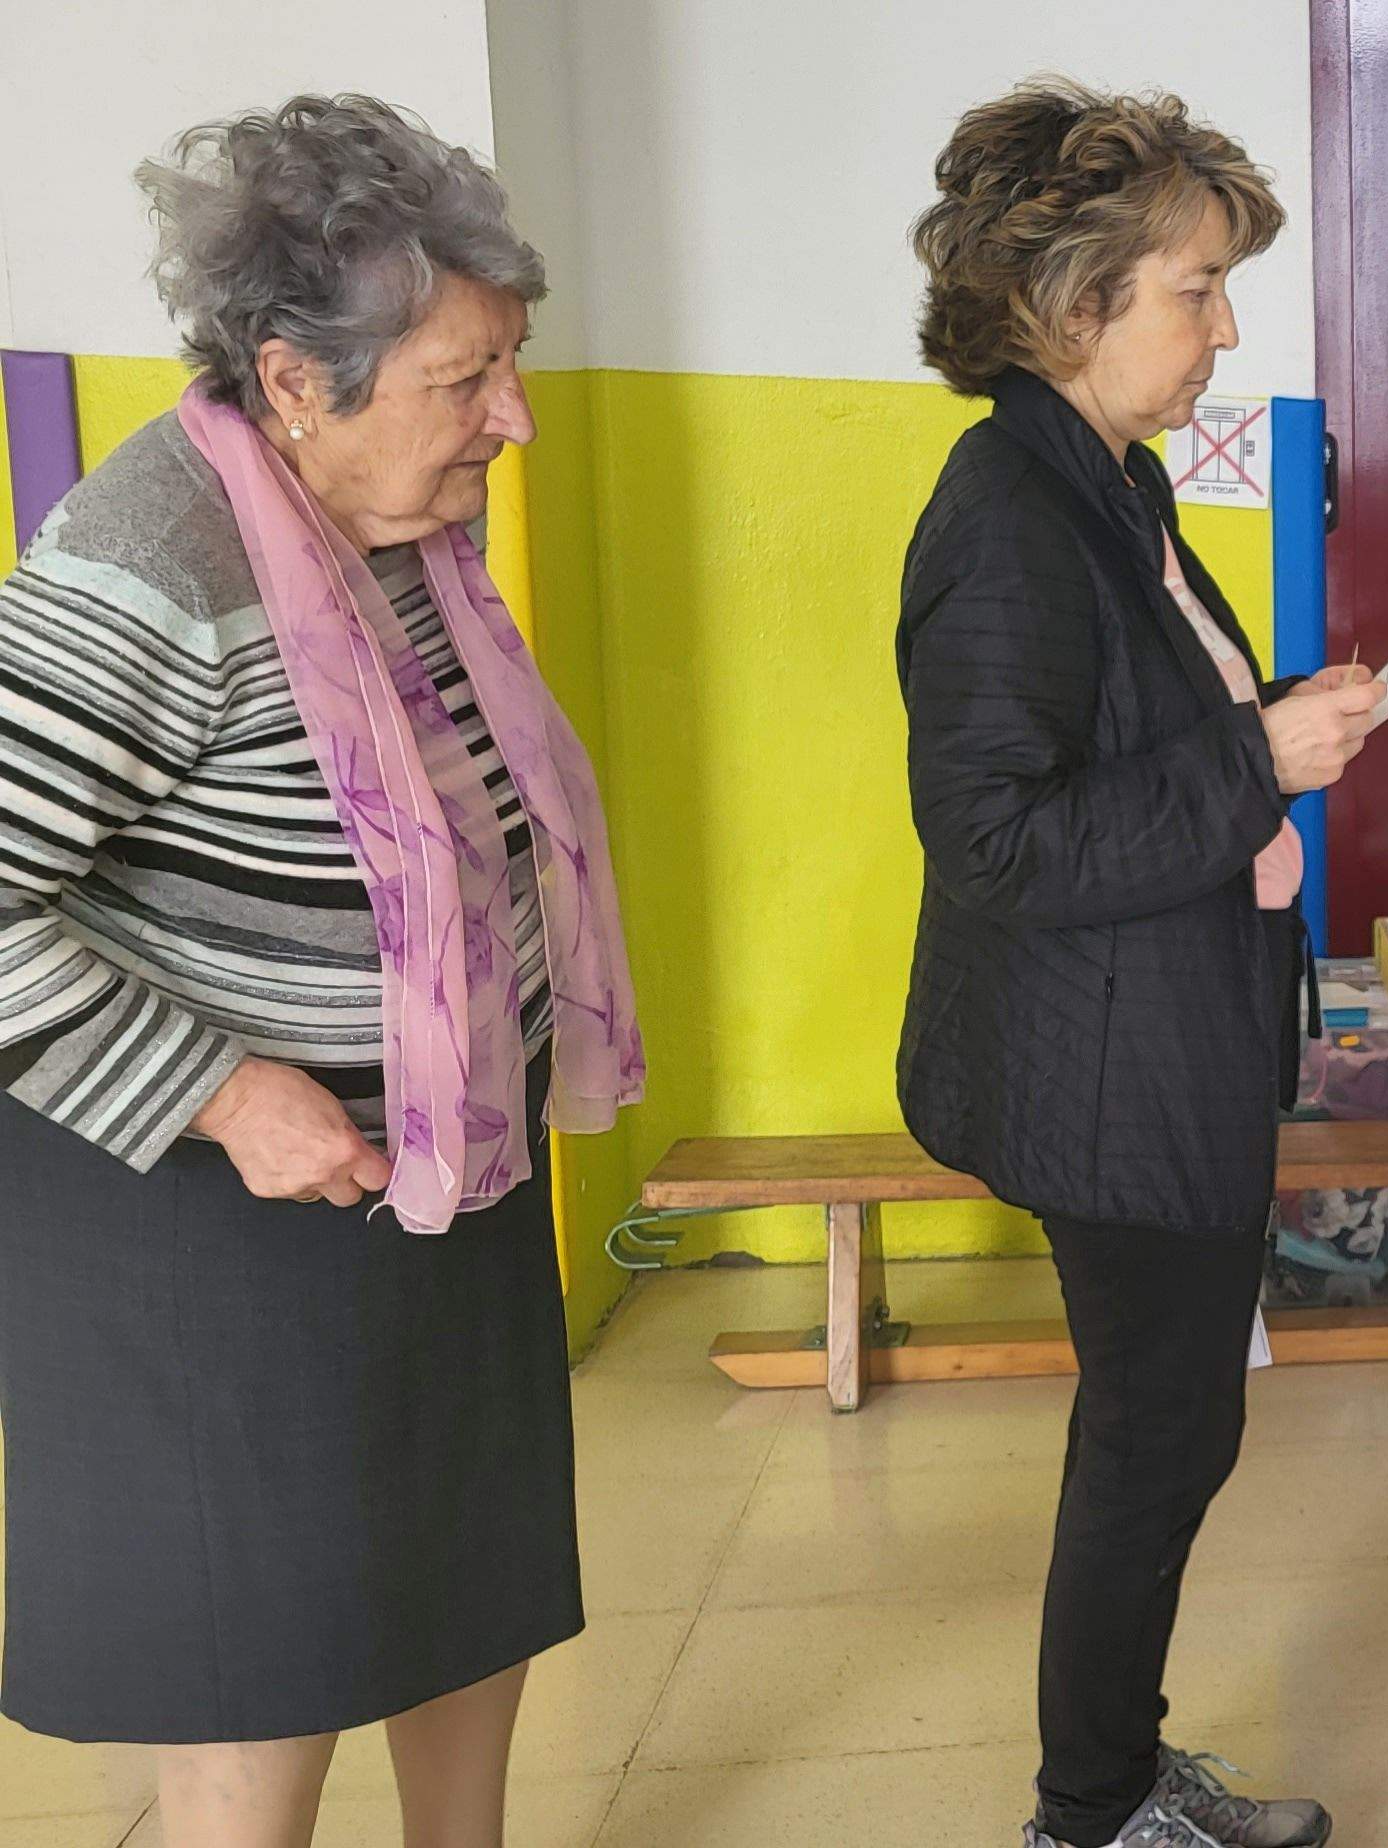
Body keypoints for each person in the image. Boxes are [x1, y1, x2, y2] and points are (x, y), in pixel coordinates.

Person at [0, 95, 641, 1847]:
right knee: (255, 1662)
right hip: (209, 1216)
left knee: (469, 1574)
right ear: (295, 377)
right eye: (464, 378)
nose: (507, 419)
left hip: (436, 1160)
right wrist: (216, 1085)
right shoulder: (156, 558)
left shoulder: (397, 521)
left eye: (510, 365)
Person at [894, 81, 1379, 1848]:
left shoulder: (1110, 480)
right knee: (1158, 1437)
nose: (1224, 322)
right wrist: (1264, 757)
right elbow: (999, 839)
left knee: (1163, 1428)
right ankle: (1091, 1806)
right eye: (1195, 284)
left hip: (1153, 1043)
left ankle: (1109, 1772)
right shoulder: (1006, 514)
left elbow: (1127, 750)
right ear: (1071, 296)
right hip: (1104, 1073)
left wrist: (1262, 727)